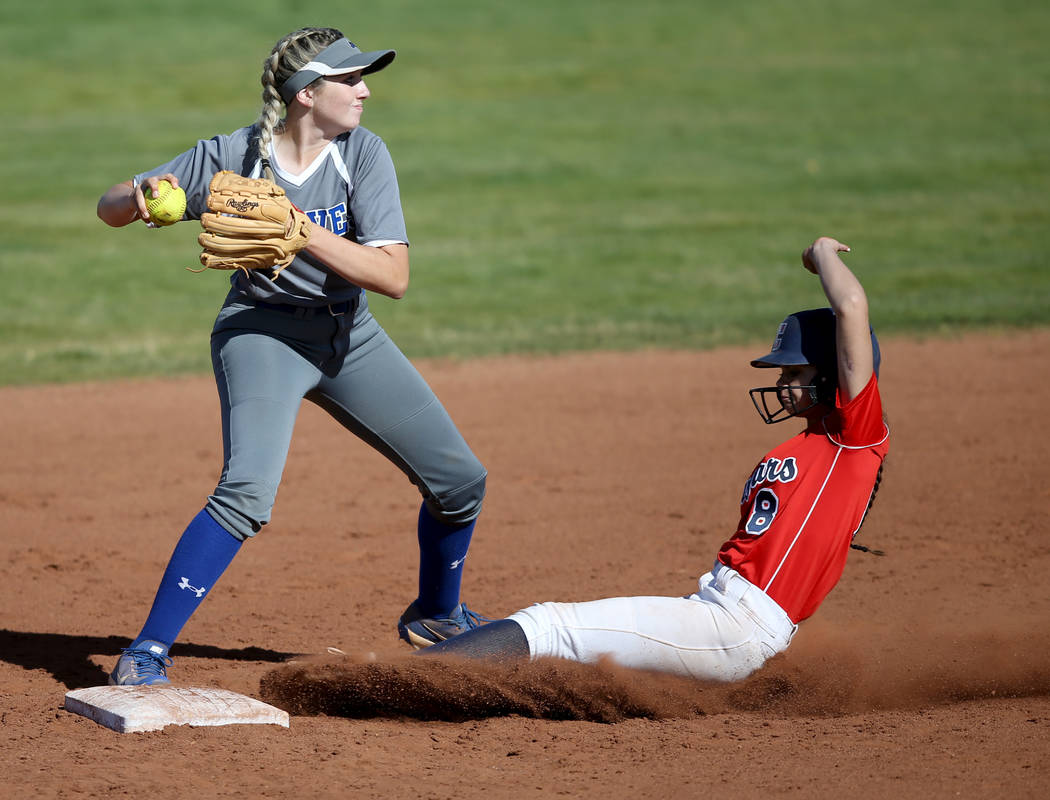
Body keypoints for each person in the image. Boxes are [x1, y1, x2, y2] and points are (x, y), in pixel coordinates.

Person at [97, 27, 490, 686]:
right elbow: (108, 206)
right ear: (308, 94)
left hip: (349, 338)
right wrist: (137, 200)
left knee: (460, 483)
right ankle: (146, 652)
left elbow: (392, 277)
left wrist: (298, 230)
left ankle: (436, 615)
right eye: (350, 79)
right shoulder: (231, 158)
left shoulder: (362, 155)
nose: (364, 90)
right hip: (262, 334)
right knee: (246, 493)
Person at [419, 236, 889, 682]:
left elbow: (850, 308)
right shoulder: (809, 446)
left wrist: (823, 252)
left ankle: (404, 676)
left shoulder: (854, 438)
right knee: (580, 652)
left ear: (833, 377)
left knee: (551, 627)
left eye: (795, 371)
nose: (783, 383)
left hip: (737, 626)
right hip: (721, 617)